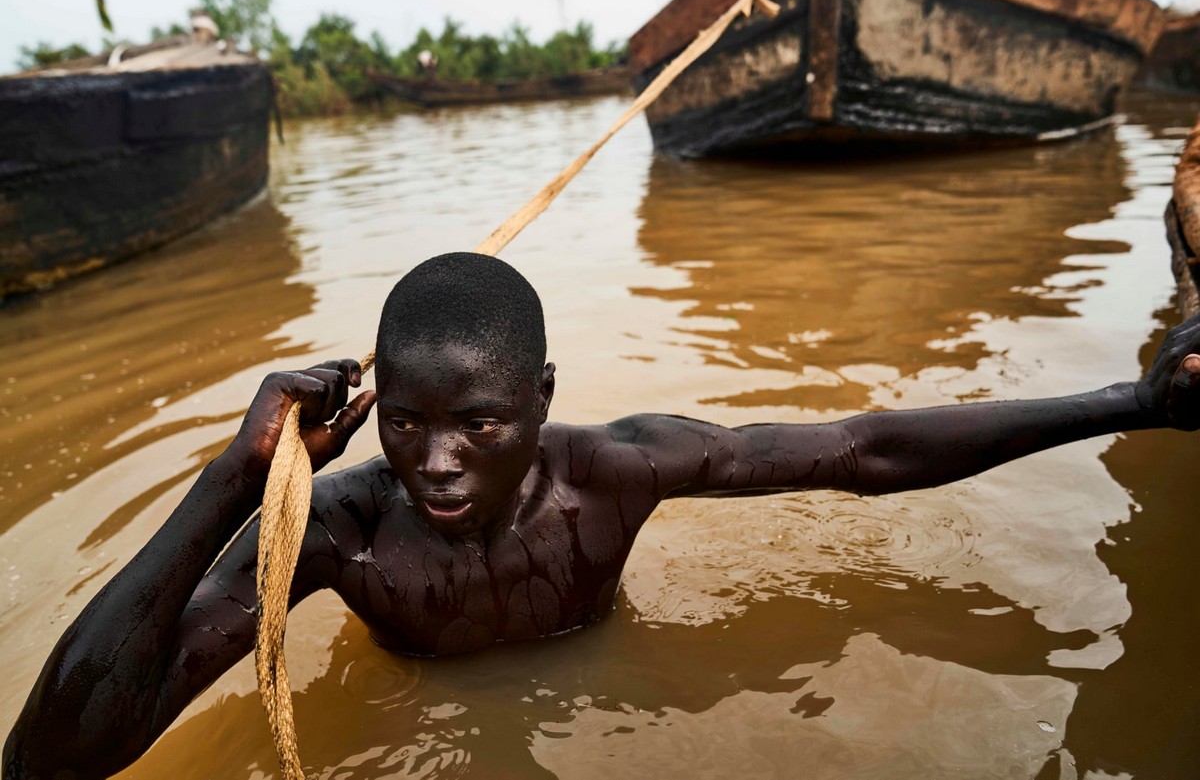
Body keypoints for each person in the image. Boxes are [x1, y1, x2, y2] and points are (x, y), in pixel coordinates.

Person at [5, 252, 1200, 778]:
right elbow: (52, 763)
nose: (435, 463)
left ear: (543, 402)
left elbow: (859, 448)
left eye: (477, 423)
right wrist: (236, 473)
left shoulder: (614, 470)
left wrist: (1133, 401)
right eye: (405, 424)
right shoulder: (337, 533)